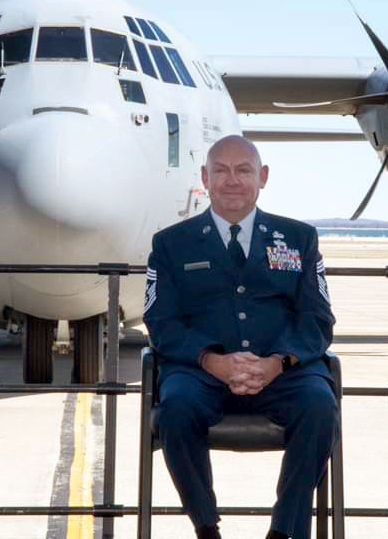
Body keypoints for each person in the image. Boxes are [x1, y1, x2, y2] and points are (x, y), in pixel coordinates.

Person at [144, 134, 338, 539]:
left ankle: (285, 531)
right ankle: (206, 526)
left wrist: (276, 362)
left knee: (320, 405)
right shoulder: (170, 244)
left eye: (244, 170)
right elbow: (161, 321)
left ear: (262, 177)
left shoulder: (299, 239)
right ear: (205, 178)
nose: (232, 180)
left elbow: (317, 319)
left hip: (283, 372)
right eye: (221, 171)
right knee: (175, 407)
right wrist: (212, 361)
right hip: (201, 373)